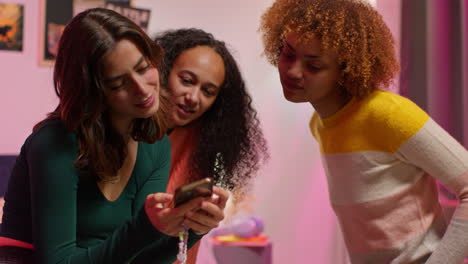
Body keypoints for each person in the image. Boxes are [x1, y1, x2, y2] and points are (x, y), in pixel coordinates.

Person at [0, 8, 227, 264]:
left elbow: (144, 259)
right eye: (119, 83)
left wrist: (194, 228)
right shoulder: (54, 144)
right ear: (91, 91)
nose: (142, 90)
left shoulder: (155, 145)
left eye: (143, 68)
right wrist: (145, 227)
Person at [260, 0, 468, 263]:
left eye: (314, 66)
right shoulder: (320, 124)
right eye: (288, 53)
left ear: (345, 70)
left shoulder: (389, 114)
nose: (292, 71)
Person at [153, 28, 269, 263]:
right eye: (186, 81)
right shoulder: (125, 125)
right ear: (163, 72)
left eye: (208, 91)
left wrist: (203, 223)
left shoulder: (204, 140)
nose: (193, 97)